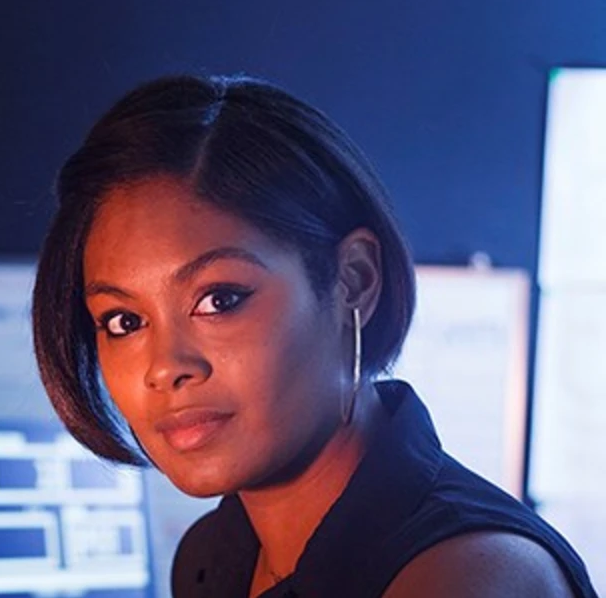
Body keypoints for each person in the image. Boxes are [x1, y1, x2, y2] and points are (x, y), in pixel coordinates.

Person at [31, 74, 597, 597]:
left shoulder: (468, 575)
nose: (165, 367)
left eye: (219, 299)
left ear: (354, 280)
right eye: (124, 322)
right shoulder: (213, 554)